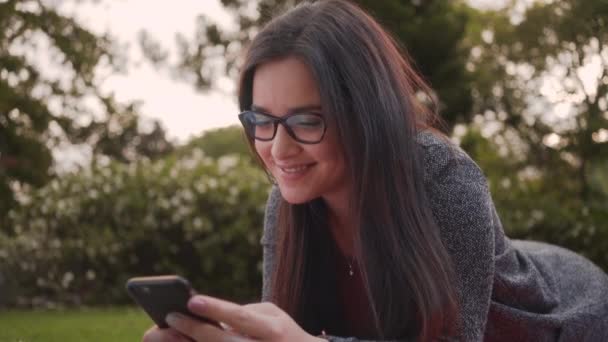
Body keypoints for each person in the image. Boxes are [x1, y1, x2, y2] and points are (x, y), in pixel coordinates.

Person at [142, 0, 608, 341]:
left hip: (571, 319)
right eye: (262, 121)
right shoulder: (287, 203)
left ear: (365, 114)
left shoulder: (443, 176)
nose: (278, 147)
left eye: (307, 121)